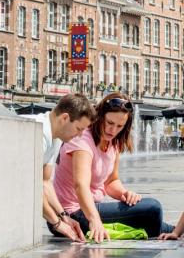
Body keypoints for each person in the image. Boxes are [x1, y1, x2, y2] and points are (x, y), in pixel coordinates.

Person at [52, 93, 174, 241]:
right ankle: (177, 231)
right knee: (152, 208)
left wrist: (125, 193)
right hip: (72, 215)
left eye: (119, 126)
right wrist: (95, 220)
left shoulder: (113, 143)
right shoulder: (82, 138)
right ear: (100, 116)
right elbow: (80, 185)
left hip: (89, 210)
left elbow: (110, 181)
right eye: (109, 123)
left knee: (150, 212)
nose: (113, 130)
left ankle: (177, 231)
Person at [36, 94, 96, 242]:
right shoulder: (39, 133)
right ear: (64, 118)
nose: (80, 135)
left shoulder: (56, 135)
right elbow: (30, 187)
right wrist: (56, 223)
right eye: (78, 128)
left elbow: (45, 182)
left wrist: (64, 217)